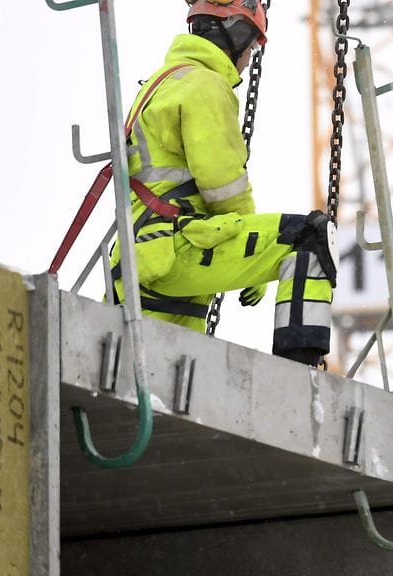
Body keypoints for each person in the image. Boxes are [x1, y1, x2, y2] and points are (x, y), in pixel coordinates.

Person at [109, 0, 336, 366]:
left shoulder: (162, 82)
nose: (249, 57)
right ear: (236, 35)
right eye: (252, 46)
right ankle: (299, 369)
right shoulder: (205, 85)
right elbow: (225, 189)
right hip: (176, 249)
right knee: (310, 237)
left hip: (141, 255)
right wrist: (257, 257)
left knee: (161, 371)